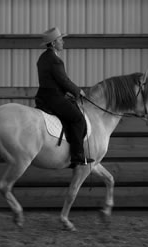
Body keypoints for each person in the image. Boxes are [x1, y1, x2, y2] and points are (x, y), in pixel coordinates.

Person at [35, 27, 94, 168]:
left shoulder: (43, 58)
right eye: (61, 39)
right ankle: (77, 156)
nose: (63, 42)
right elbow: (64, 80)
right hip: (53, 98)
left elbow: (54, 80)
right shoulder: (55, 60)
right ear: (54, 43)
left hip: (44, 96)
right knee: (78, 118)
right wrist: (77, 91)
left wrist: (67, 92)